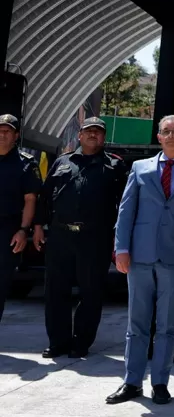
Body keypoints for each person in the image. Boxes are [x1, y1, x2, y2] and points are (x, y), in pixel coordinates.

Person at [106, 115, 174, 405]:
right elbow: (125, 211)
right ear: (159, 136)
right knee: (136, 323)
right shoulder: (140, 168)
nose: (172, 135)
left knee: (166, 325)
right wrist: (120, 248)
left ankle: (160, 383)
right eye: (167, 131)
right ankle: (132, 381)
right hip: (139, 255)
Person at [33, 117, 126, 358]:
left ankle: (81, 343)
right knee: (55, 291)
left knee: (91, 292)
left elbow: (125, 205)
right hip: (60, 235)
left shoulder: (115, 166)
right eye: (88, 131)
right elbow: (45, 197)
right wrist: (38, 226)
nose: (93, 135)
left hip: (95, 238)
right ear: (80, 136)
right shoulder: (62, 162)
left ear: (103, 137)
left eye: (98, 132)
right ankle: (58, 342)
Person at [0, 114, 41, 325]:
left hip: (7, 231)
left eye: (7, 131)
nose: (2, 134)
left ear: (16, 135)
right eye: (0, 130)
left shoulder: (26, 163)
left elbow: (30, 200)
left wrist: (24, 230)